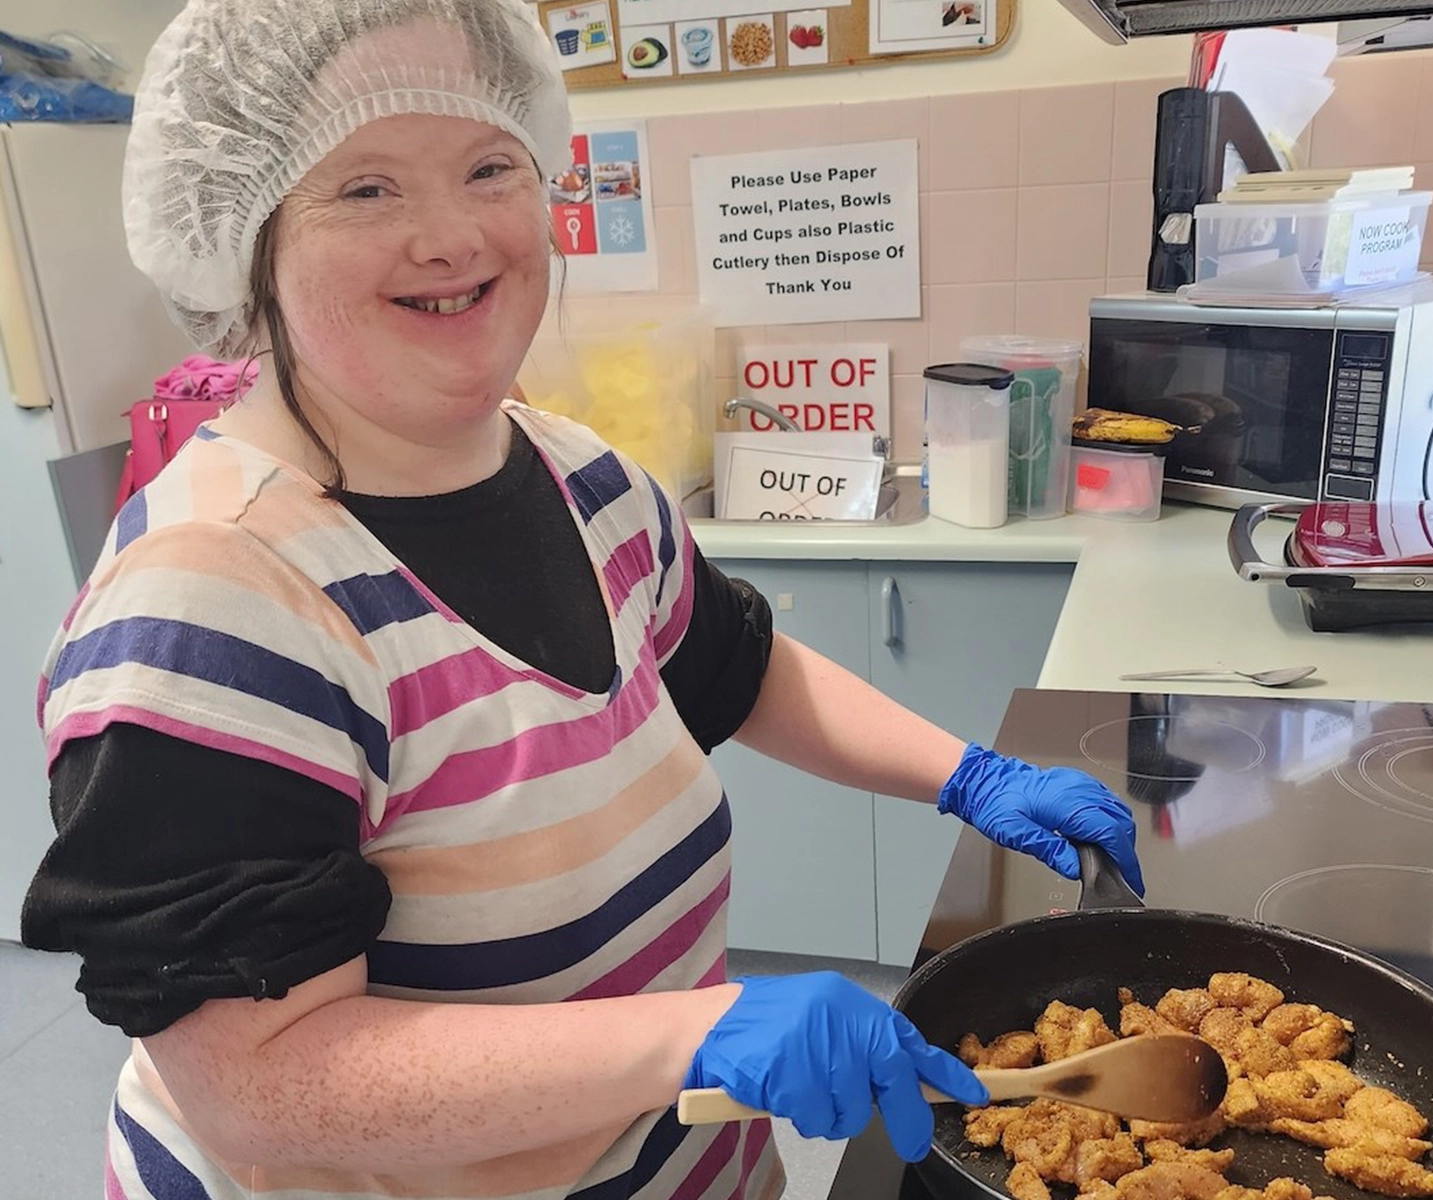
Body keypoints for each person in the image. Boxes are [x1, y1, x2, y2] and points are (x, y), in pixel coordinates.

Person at [19, 2, 1143, 1197]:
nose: (453, 236)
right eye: (365, 190)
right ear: (246, 240)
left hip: (668, 1154)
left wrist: (968, 777)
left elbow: (737, 666)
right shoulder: (214, 606)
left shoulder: (572, 473)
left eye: (488, 166)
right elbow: (259, 1088)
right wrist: (688, 1036)